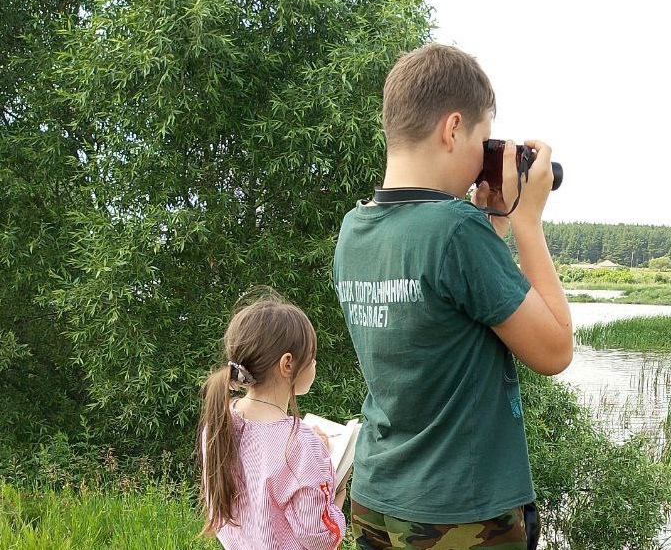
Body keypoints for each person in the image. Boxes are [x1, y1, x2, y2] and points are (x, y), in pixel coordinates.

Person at [333, 43, 573, 549]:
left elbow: (440, 315)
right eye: (483, 141)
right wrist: (528, 222)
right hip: (459, 513)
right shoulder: (456, 231)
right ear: (452, 128)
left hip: (378, 497)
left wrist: (496, 227)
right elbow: (554, 351)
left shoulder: (355, 230)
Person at [197, 289, 346, 550]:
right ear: (287, 363)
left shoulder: (219, 423)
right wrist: (336, 487)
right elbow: (320, 537)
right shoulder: (301, 444)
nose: (315, 365)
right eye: (312, 356)